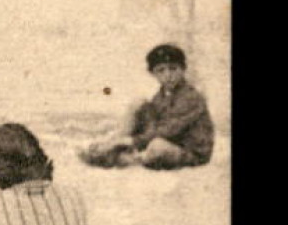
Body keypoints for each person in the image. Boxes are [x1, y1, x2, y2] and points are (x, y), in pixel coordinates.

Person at [82, 44, 214, 170]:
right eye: (161, 70)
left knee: (157, 147)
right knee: (139, 103)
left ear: (183, 69)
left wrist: (133, 141)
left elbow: (167, 130)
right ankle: (113, 145)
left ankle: (125, 158)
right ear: (153, 74)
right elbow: (154, 122)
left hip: (189, 151)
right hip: (166, 140)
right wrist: (122, 138)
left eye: (173, 68)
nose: (168, 75)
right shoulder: (161, 95)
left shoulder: (191, 97)